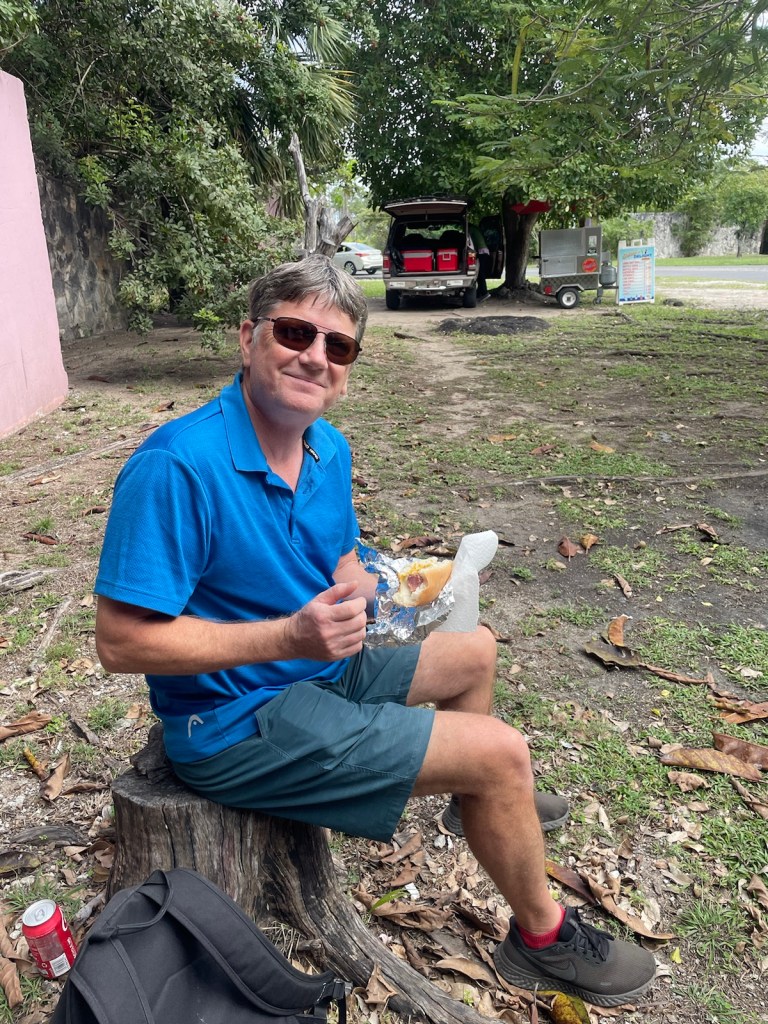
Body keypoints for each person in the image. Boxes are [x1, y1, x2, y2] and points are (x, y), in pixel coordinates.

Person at [94, 255, 656, 1007]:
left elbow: (339, 559)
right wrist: (288, 638)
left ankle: (473, 805)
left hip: (318, 667)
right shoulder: (176, 466)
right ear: (248, 338)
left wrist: (385, 579)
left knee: (477, 652)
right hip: (234, 720)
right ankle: (542, 941)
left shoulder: (326, 448)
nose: (315, 357)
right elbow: (120, 642)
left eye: (338, 345)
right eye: (294, 333)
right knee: (502, 753)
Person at [469, 223, 491, 302]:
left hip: (481, 252)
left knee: (480, 273)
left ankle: (484, 292)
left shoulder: (470, 229)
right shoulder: (475, 229)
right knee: (479, 273)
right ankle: (479, 293)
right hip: (484, 251)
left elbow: (468, 241)